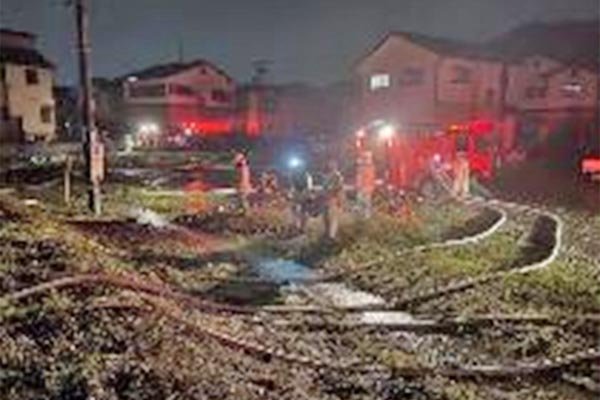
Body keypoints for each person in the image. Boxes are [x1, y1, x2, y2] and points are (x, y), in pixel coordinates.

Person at [322, 161, 344, 240]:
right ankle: (331, 235)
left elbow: (338, 188)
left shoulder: (330, 176)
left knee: (329, 218)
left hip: (329, 199)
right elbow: (339, 189)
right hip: (331, 199)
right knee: (331, 218)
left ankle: (329, 235)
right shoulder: (336, 176)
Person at [355, 151, 376, 218]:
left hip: (366, 188)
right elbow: (359, 178)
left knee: (366, 203)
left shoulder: (369, 167)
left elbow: (370, 178)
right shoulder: (362, 168)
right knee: (361, 202)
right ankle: (362, 216)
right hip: (363, 188)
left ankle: (366, 216)